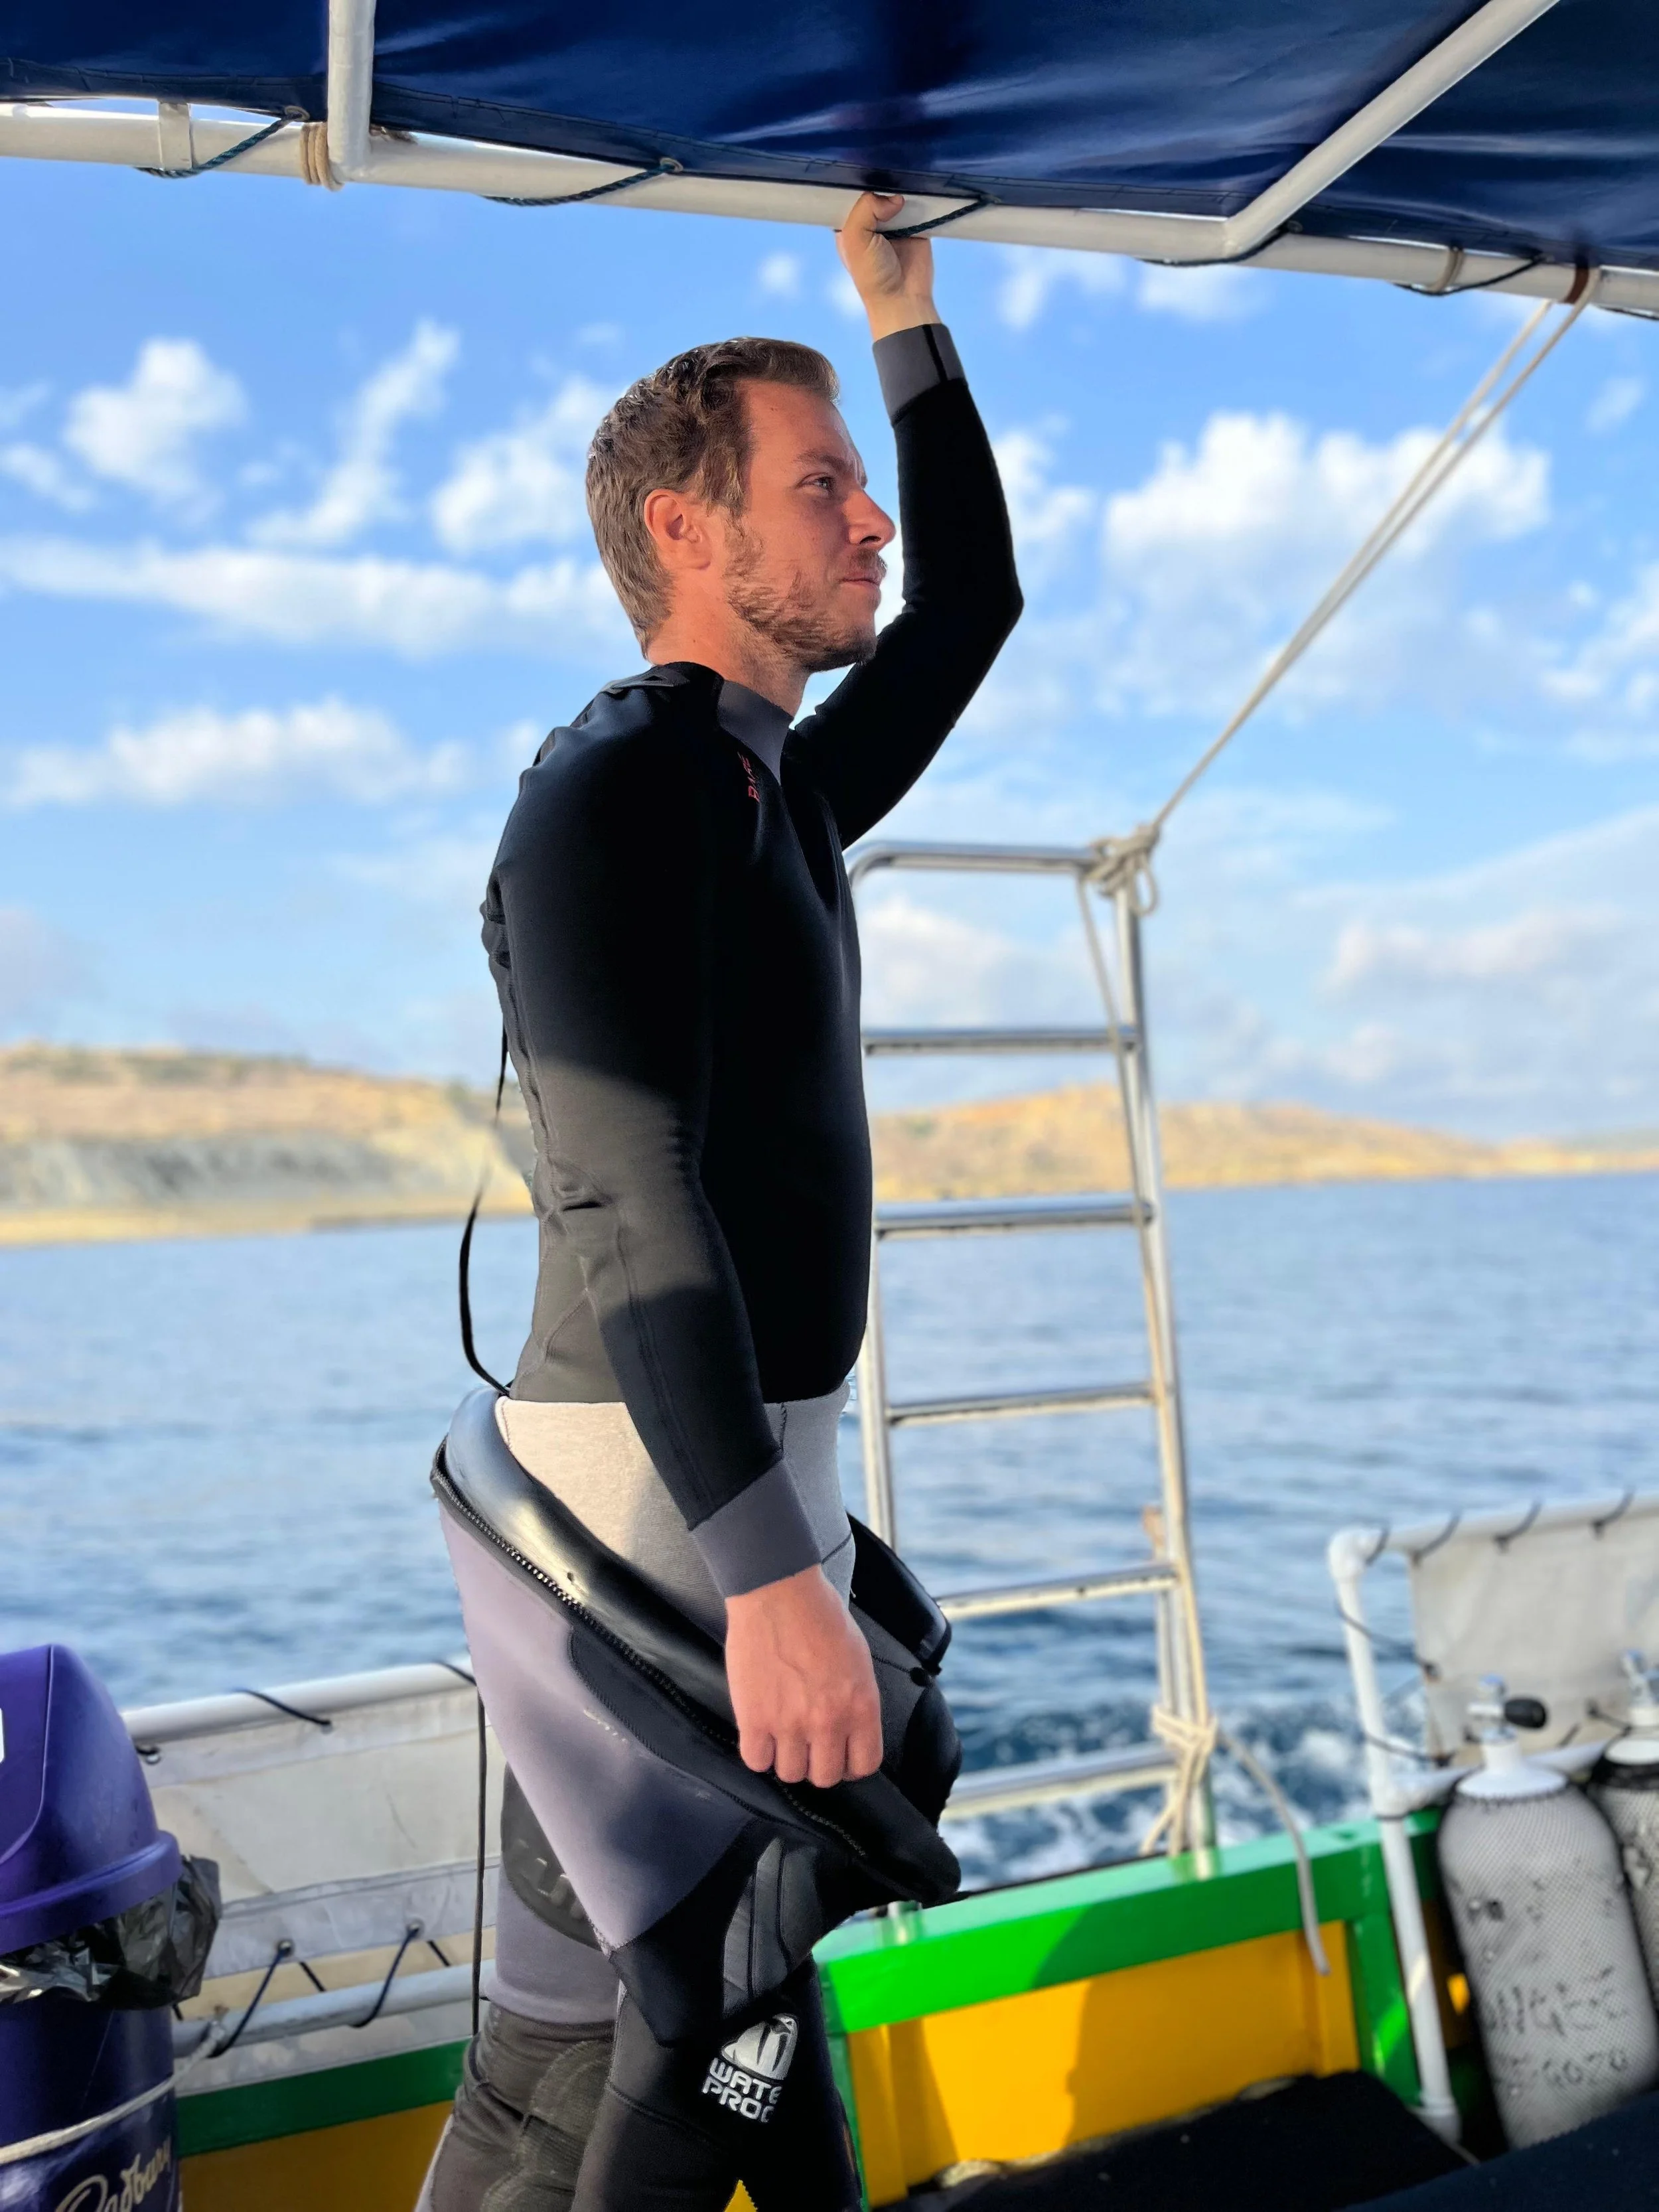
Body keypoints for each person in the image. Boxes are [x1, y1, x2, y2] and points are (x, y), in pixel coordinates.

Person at [421, 189, 1021, 2211]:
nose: (871, 520)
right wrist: (771, 1574)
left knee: (572, 2029)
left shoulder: (771, 785)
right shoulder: (619, 783)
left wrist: (902, 323)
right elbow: (623, 1181)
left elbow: (969, 616)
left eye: (864, 482)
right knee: (720, 2003)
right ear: (684, 530)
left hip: (730, 1462)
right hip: (660, 1484)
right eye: (821, 482)